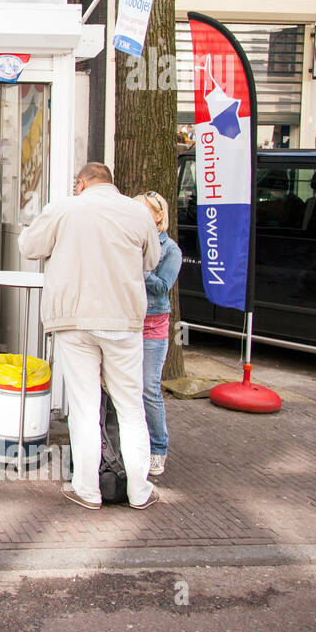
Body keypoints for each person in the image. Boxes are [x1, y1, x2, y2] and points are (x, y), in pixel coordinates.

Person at [18, 161, 161, 510]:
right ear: (110, 183)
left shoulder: (64, 208)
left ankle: (87, 490)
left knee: (83, 407)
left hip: (74, 320)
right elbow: (151, 261)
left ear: (81, 183)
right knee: (130, 408)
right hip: (122, 321)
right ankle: (140, 491)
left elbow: (28, 246)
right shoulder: (137, 212)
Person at [135, 191, 182, 477]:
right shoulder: (132, 242)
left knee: (149, 388)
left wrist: (138, 268)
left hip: (153, 324)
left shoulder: (171, 250)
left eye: (144, 211)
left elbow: (162, 286)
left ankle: (158, 449)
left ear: (158, 215)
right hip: (129, 321)